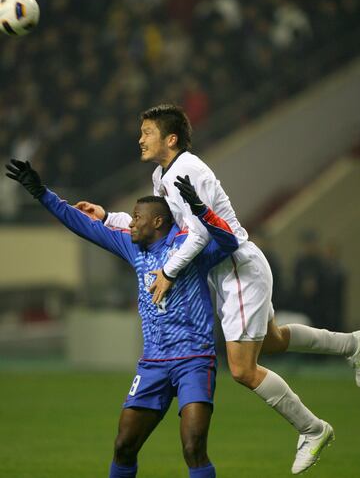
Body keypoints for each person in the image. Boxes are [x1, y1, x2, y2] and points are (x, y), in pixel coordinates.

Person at [74, 104, 359, 475]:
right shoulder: (163, 175)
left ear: (170, 138)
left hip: (237, 268)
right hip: (224, 273)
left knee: (242, 369)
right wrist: (108, 217)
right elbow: (160, 226)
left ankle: (312, 428)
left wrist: (170, 272)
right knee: (270, 340)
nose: (140, 138)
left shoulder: (189, 169)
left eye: (147, 132)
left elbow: (204, 232)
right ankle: (352, 344)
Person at [6, 159, 240, 478]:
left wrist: (202, 210)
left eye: (137, 218)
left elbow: (229, 242)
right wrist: (42, 193)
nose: (130, 223)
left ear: (158, 222)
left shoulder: (190, 248)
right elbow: (83, 225)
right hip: (153, 363)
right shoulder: (134, 249)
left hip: (194, 360)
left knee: (193, 447)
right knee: (124, 446)